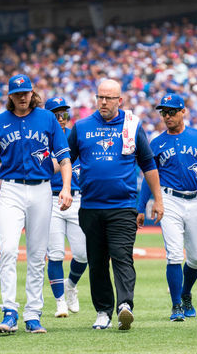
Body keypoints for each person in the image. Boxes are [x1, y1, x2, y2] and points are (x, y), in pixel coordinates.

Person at [68, 79, 164, 331]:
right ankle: (102, 311)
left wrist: (158, 199)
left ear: (119, 101)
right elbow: (65, 160)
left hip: (122, 205)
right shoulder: (81, 127)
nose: (103, 102)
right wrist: (62, 185)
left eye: (109, 98)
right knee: (97, 261)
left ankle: (124, 306)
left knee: (122, 256)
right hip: (90, 206)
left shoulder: (132, 125)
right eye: (100, 97)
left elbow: (148, 164)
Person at [0, 74, 72, 335]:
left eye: (26, 92)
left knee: (36, 254)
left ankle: (33, 314)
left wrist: (65, 188)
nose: (22, 96)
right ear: (10, 96)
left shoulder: (47, 119)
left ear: (33, 93)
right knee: (8, 249)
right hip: (10, 189)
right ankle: (9, 310)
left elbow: (64, 159)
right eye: (17, 92)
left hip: (42, 189)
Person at [137, 94, 197, 321]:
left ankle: (185, 294)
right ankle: (175, 306)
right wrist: (140, 207)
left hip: (195, 199)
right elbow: (149, 178)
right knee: (174, 254)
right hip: (169, 199)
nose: (167, 116)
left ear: (183, 112)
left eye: (172, 111)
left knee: (196, 258)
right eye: (163, 112)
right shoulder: (156, 142)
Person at [45, 96, 88, 317]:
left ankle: (71, 285)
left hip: (77, 198)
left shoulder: (75, 135)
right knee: (55, 253)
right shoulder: (42, 137)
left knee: (82, 254)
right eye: (57, 114)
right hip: (50, 199)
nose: (61, 119)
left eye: (65, 114)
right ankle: (60, 301)